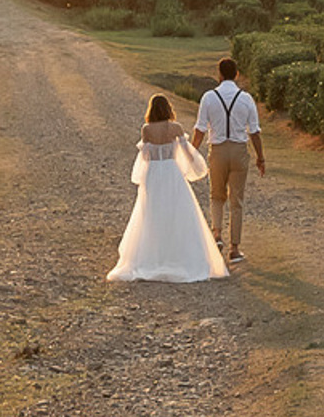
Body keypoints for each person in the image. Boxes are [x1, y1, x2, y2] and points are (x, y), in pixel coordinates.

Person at [106, 95, 230, 283]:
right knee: (178, 212)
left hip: (154, 174)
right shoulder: (176, 128)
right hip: (172, 172)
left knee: (152, 213)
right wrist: (196, 167)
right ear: (168, 109)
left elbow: (145, 157)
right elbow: (187, 152)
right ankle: (180, 255)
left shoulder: (146, 129)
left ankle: (153, 255)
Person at [192, 56, 266, 265]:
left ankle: (217, 235)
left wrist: (192, 152)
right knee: (237, 201)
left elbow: (200, 129)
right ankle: (234, 248)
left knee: (216, 195)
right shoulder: (246, 98)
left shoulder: (208, 97)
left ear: (220, 74)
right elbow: (255, 131)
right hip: (239, 150)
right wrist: (261, 158)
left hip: (217, 150)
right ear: (236, 75)